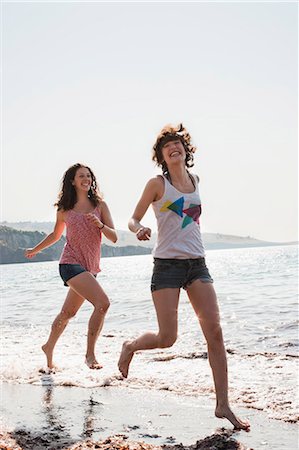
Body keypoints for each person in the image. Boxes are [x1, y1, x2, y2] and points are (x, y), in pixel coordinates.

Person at [118, 124, 250, 430]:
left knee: (214, 333)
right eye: (167, 146)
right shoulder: (157, 184)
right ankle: (130, 346)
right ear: (162, 156)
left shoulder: (196, 180)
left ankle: (223, 405)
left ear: (185, 150)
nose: (174, 147)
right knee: (167, 338)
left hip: (197, 264)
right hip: (167, 265)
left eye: (178, 143)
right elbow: (133, 217)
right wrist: (138, 229)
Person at [25, 163, 117, 370]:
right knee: (103, 304)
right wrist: (36, 250)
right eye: (81, 176)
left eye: (88, 176)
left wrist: (100, 225)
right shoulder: (64, 208)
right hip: (70, 263)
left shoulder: (100, 205)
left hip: (90, 268)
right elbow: (56, 236)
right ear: (73, 181)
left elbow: (114, 237)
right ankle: (90, 356)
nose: (86, 179)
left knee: (68, 313)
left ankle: (48, 347)